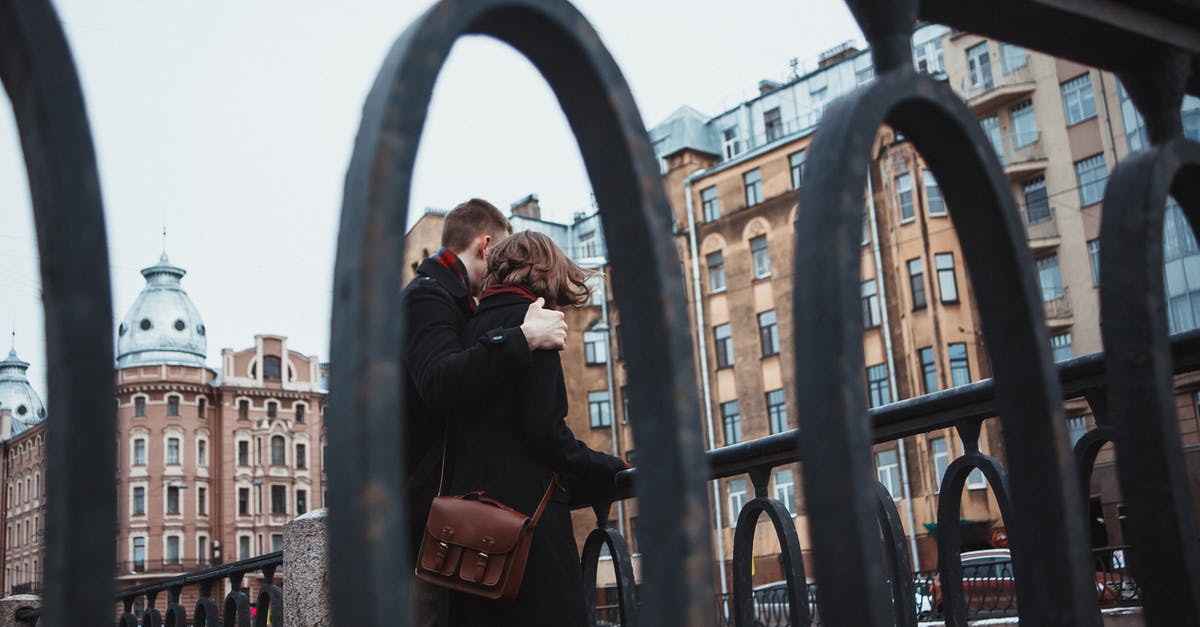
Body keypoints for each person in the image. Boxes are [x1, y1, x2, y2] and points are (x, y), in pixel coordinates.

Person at [443, 231, 628, 627]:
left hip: (468, 532)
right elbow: (546, 433)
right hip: (527, 532)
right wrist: (607, 465)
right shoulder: (535, 324)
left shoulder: (470, 330)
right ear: (547, 271)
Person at [402, 199, 569, 627]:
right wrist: (524, 337)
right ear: (487, 244)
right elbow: (439, 382)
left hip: (444, 518)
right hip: (421, 520)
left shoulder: (452, 301)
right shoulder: (428, 296)